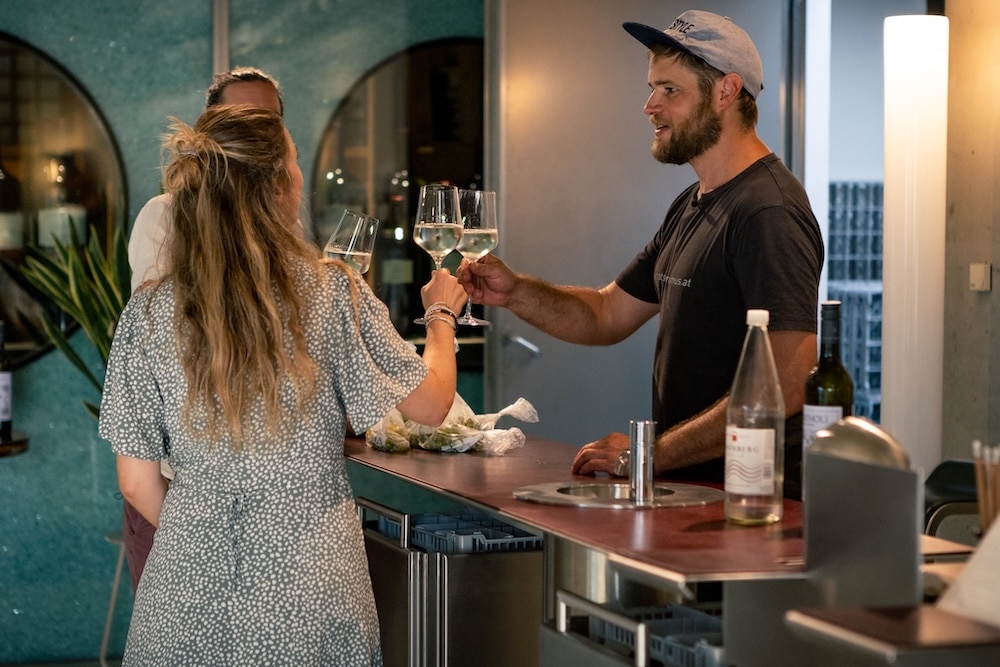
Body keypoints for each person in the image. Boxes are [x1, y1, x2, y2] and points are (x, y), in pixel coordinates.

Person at [99, 105, 466, 664]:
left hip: (182, 595)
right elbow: (432, 405)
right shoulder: (331, 293)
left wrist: (204, 531)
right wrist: (441, 314)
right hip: (313, 589)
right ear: (277, 185)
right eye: (293, 162)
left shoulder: (147, 313)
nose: (299, 176)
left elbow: (135, 482)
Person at [457, 10, 823, 499]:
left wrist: (648, 454)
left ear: (726, 92)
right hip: (699, 492)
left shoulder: (766, 211)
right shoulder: (694, 203)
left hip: (754, 503)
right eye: (652, 88)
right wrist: (516, 292)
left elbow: (791, 378)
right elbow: (607, 313)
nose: (650, 106)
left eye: (670, 90)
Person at [121, 67, 284, 592]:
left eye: (269, 121)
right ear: (207, 132)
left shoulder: (280, 224)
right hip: (179, 487)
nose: (257, 133)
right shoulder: (166, 217)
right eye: (240, 119)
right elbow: (164, 346)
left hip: (265, 492)